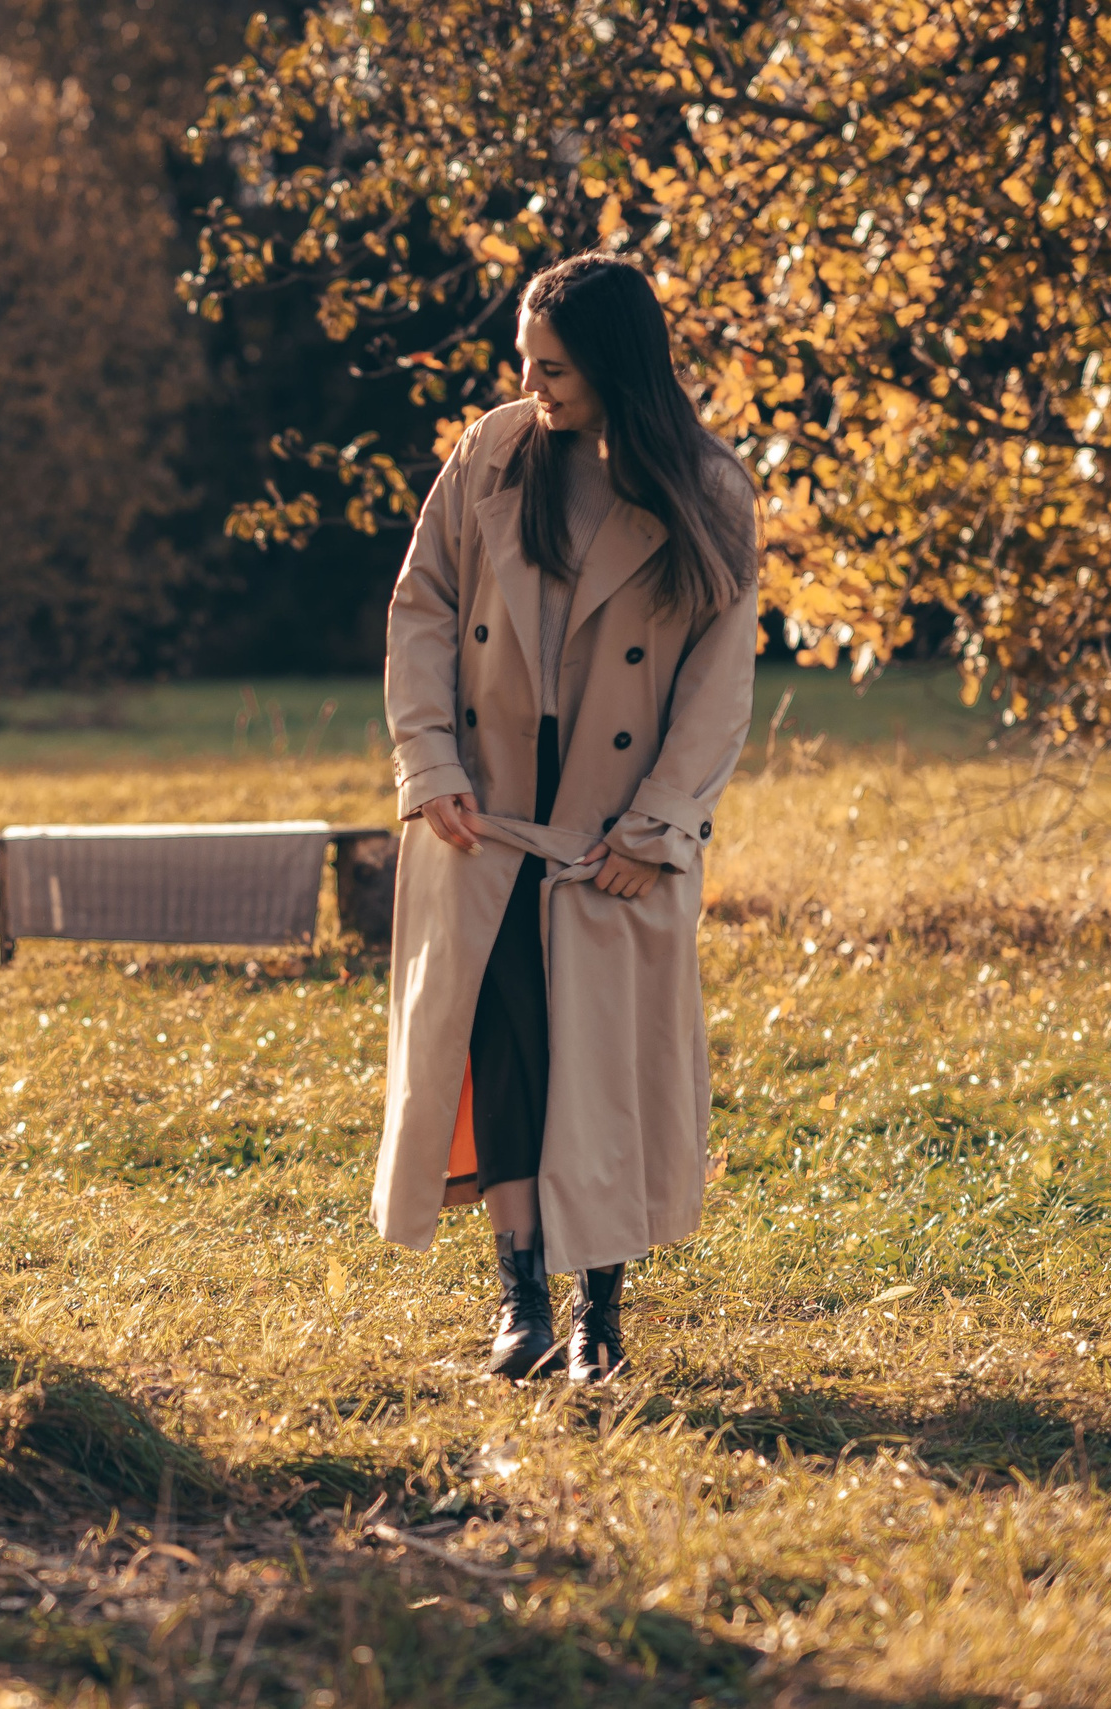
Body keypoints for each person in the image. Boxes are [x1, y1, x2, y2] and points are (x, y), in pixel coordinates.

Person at [374, 255, 760, 1382]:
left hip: (611, 844)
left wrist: (657, 830)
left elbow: (717, 683)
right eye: (525, 361)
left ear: (615, 363)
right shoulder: (491, 454)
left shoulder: (704, 487)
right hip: (481, 824)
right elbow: (423, 606)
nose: (532, 380)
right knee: (507, 1058)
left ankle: (602, 1315)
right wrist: (428, 759)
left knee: (600, 1072)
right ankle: (520, 1302)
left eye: (553, 364)